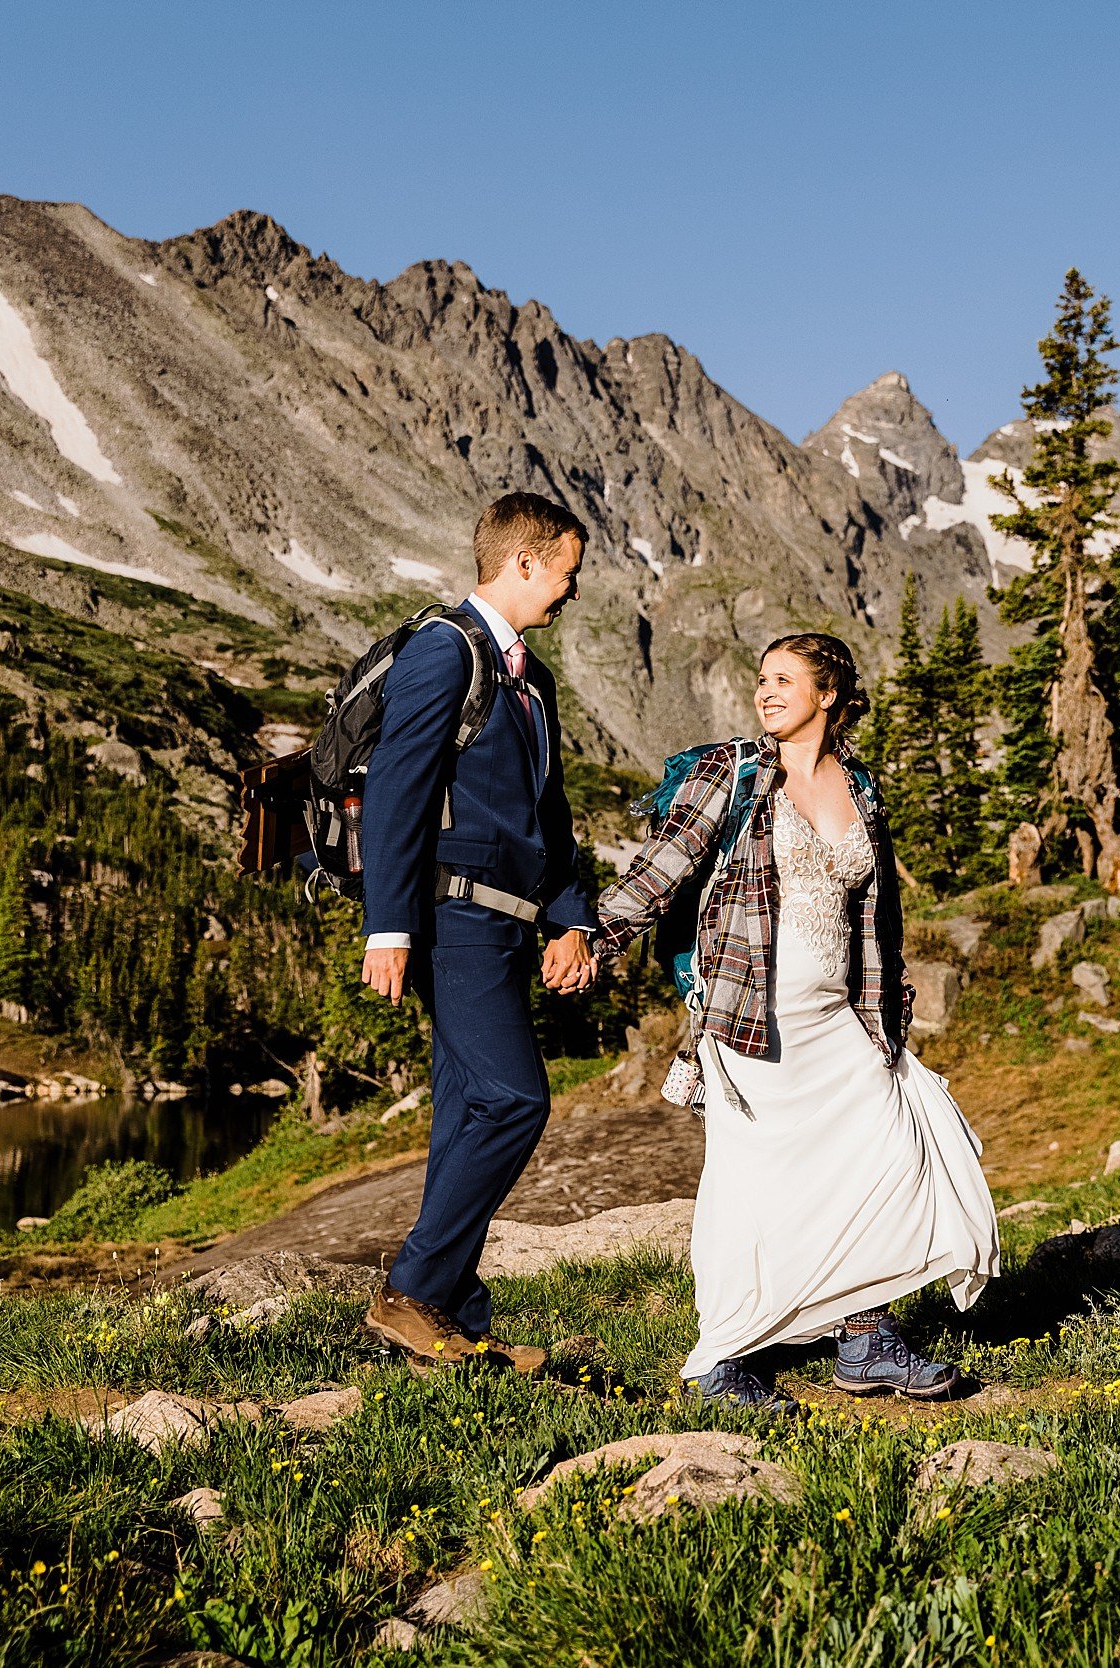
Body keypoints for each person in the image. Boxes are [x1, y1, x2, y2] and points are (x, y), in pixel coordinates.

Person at [593, 633, 1000, 1407]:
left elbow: (880, 917)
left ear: (829, 695)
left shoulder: (861, 786)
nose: (766, 691)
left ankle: (864, 1339)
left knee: (888, 1154)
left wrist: (887, 1010)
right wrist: (589, 940)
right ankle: (724, 1356)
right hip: (750, 1015)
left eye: (784, 679)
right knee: (751, 1178)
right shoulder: (733, 772)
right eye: (761, 678)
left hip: (838, 1016)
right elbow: (662, 868)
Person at [356, 492, 601, 1372]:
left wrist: (571, 920)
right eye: (566, 570)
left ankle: (450, 1319)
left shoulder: (533, 681)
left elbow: (550, 815)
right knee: (515, 1098)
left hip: (507, 923)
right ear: (523, 563)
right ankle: (412, 1290)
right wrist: (387, 926)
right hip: (448, 919)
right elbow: (396, 790)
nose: (573, 588)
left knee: (465, 1111)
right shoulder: (443, 652)